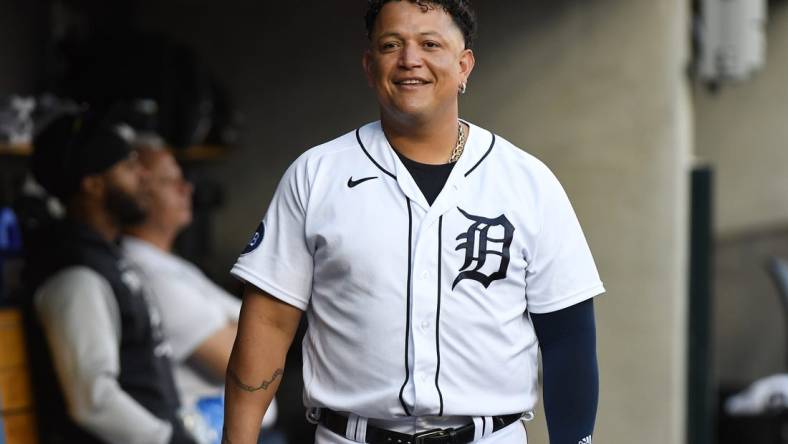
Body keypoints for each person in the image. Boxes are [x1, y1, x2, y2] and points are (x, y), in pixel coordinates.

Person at [223, 1, 604, 443]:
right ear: (370, 66)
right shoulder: (316, 174)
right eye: (391, 45)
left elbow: (567, 339)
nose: (409, 60)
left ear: (464, 66)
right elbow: (268, 321)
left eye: (429, 44)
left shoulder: (527, 181)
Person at [23, 110, 197, 444]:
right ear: (93, 185)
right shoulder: (75, 272)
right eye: (129, 168)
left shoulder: (104, 254)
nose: (144, 177)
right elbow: (94, 401)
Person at [121, 143, 280, 440]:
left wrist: (254, 326)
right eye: (169, 181)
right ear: (139, 192)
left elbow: (265, 335)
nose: (186, 189)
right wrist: (266, 325)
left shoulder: (166, 263)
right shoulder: (147, 274)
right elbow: (248, 361)